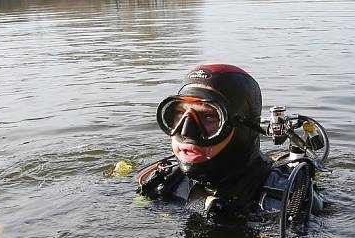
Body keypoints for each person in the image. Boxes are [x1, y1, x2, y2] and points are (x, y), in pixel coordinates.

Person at [138, 63, 324, 222]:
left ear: (243, 126)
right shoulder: (163, 183)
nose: (185, 132)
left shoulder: (287, 201)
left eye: (210, 116)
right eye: (179, 114)